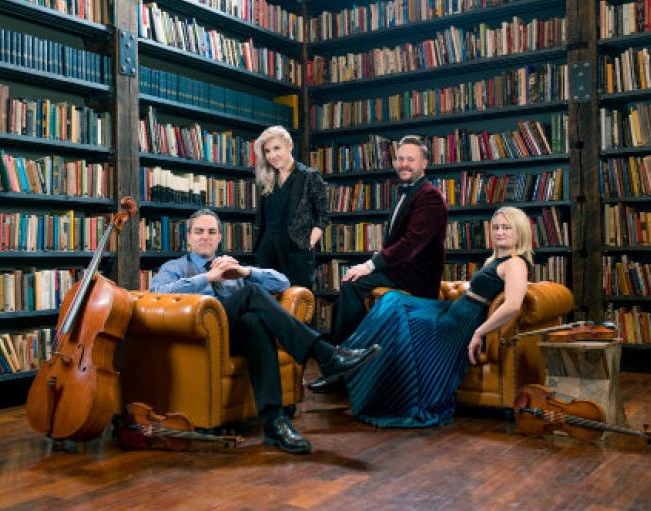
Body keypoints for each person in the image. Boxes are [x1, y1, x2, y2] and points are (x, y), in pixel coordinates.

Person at [150, 209, 379, 454]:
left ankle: (274, 423)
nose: (205, 237)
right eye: (199, 232)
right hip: (202, 341)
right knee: (251, 294)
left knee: (254, 322)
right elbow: (158, 293)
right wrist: (208, 277)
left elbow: (282, 283)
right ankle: (326, 355)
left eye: (211, 232)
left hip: (235, 337)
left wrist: (245, 272)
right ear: (188, 237)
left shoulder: (231, 266)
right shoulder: (174, 267)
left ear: (219, 238)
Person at [310, 207, 533, 428]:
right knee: (393, 302)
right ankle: (345, 359)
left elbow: (513, 305)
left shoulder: (515, 263)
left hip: (460, 324)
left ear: (519, 232)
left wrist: (479, 332)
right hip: (452, 310)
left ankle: (341, 364)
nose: (500, 232)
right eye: (496, 227)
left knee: (395, 310)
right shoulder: (497, 260)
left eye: (506, 227)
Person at [327, 135, 448, 346]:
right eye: (400, 159)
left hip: (416, 278)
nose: (404, 164)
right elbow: (395, 243)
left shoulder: (430, 197)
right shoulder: (405, 193)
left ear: (424, 164)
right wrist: (374, 262)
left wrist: (370, 265)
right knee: (348, 285)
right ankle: (351, 348)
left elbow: (411, 243)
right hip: (400, 270)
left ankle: (346, 352)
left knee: (353, 284)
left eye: (410, 160)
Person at [253, 126, 329, 289]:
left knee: (298, 303)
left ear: (290, 146)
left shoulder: (309, 176)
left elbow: (323, 216)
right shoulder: (266, 179)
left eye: (277, 148)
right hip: (268, 250)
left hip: (296, 251)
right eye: (267, 151)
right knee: (269, 304)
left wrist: (309, 242)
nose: (272, 155)